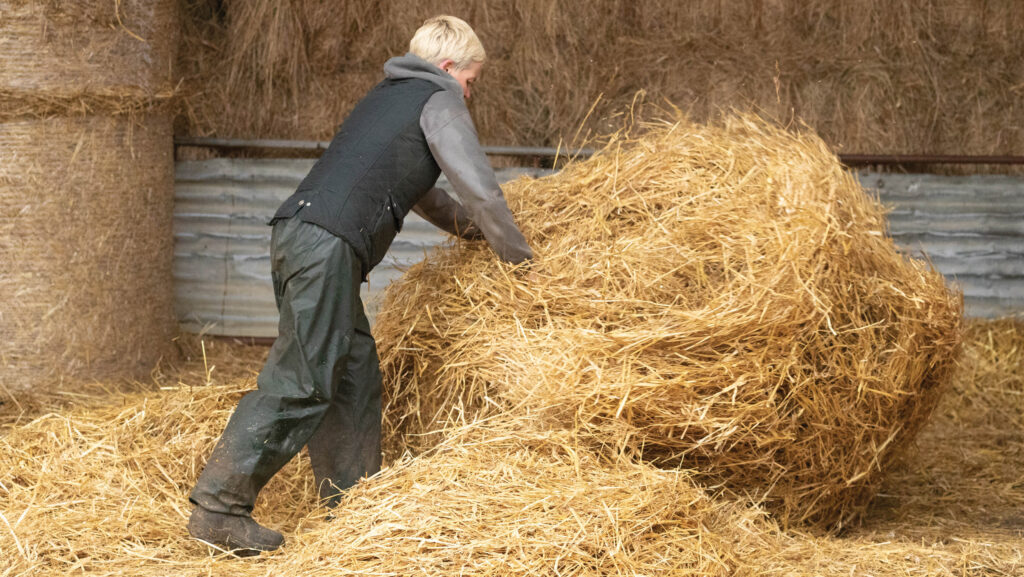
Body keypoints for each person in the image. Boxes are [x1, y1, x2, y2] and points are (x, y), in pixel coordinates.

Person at [186, 15, 532, 556]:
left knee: (351, 370)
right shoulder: (439, 99)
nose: (470, 92)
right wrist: (522, 259)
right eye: (471, 80)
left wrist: (472, 234)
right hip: (326, 245)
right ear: (448, 68)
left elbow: (428, 196)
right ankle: (220, 507)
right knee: (304, 376)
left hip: (301, 234)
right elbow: (481, 190)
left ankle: (351, 503)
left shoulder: (387, 97)